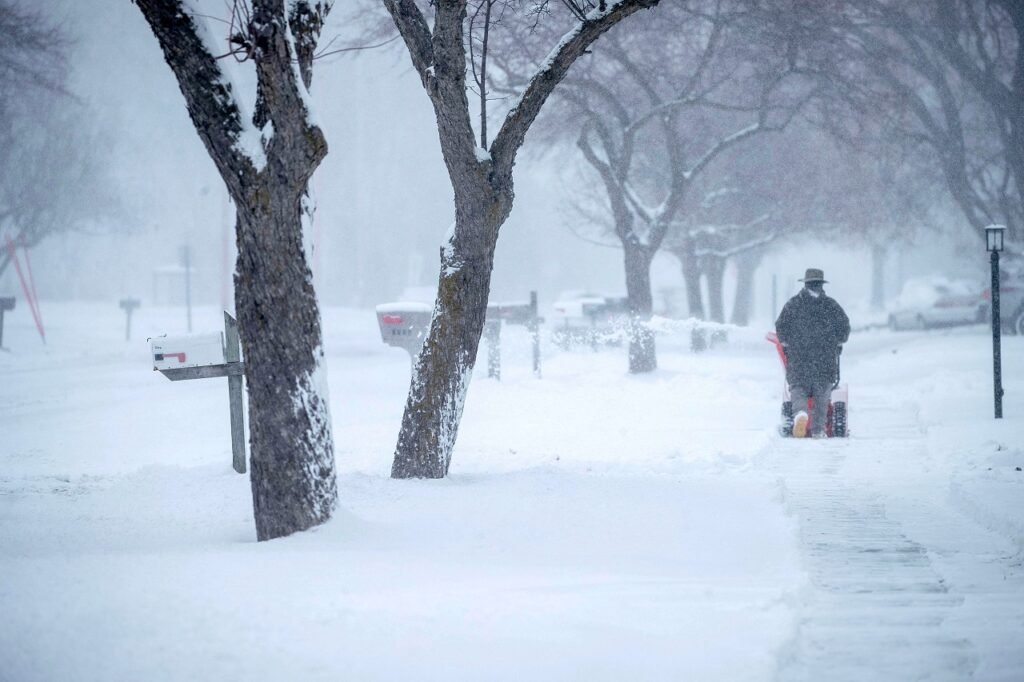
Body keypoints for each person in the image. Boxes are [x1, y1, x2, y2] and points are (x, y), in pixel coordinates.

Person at [775, 268, 850, 438]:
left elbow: (780, 327)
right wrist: (838, 340)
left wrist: (788, 342)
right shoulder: (831, 306)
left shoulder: (792, 304)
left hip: (798, 360)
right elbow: (844, 327)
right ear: (821, 285)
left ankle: (800, 413)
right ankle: (818, 429)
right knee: (822, 391)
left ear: (805, 284)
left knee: (798, 389)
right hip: (824, 360)